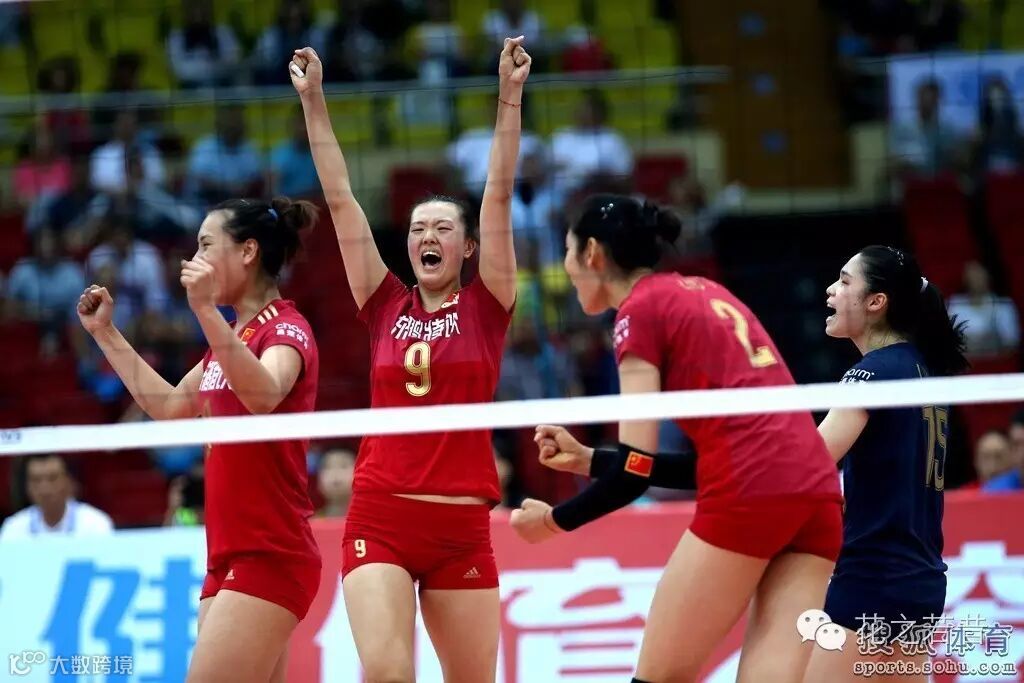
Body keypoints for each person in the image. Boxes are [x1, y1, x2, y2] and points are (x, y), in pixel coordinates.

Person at [511, 195, 844, 682]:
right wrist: (591, 459)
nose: (565, 266)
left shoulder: (638, 312)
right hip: (816, 492)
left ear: (593, 254)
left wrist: (553, 522)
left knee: (659, 678)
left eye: (567, 251)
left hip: (751, 492)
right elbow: (704, 462)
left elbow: (632, 476)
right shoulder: (705, 291)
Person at [290, 36, 530, 683]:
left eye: (443, 228)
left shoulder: (488, 304)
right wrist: (314, 100)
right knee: (389, 672)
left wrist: (509, 96)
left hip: (461, 525)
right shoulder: (383, 302)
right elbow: (341, 199)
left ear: (468, 247)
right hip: (382, 513)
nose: (427, 235)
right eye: (419, 228)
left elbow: (499, 195)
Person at [76, 197, 321, 683]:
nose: (195, 259)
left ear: (248, 251)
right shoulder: (229, 339)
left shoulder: (286, 329)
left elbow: (264, 394)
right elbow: (168, 406)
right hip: (227, 554)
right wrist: (105, 333)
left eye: (207, 245)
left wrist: (205, 309)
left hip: (271, 552)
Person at [805, 245, 968, 682]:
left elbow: (809, 463)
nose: (830, 290)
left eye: (844, 282)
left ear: (876, 301)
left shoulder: (872, 374)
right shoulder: (923, 370)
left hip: (872, 578)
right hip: (921, 583)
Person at [0, 454, 114, 541]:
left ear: (69, 482)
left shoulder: (95, 524)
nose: (45, 488)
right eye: (36, 480)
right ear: (27, 486)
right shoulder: (14, 528)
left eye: (52, 478)